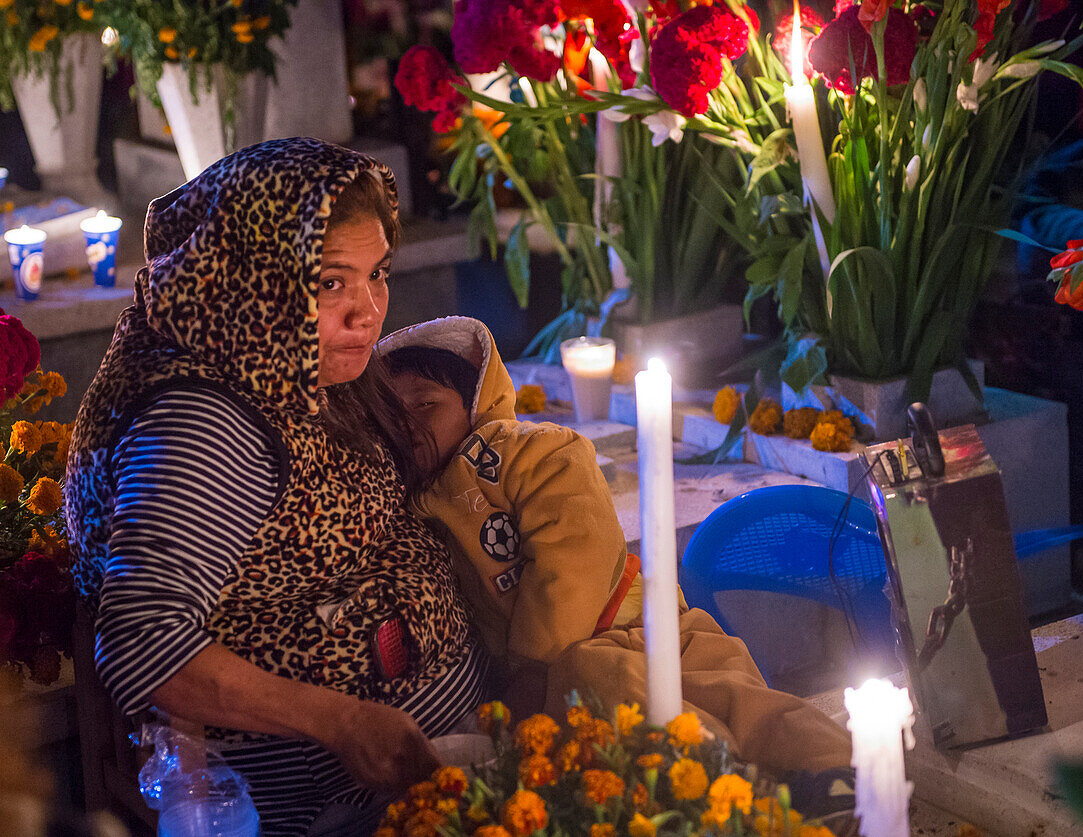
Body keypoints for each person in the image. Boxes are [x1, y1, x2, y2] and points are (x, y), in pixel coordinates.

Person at [64, 139, 488, 836]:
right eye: (329, 282)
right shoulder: (207, 422)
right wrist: (341, 720)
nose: (367, 310)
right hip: (320, 804)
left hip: (431, 753)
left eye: (377, 273)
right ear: (252, 278)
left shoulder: (280, 359)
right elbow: (141, 638)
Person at [375, 316, 854, 781]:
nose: (410, 427)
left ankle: (839, 773)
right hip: (560, 676)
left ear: (476, 400)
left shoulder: (529, 452)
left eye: (426, 405)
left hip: (636, 630)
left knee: (747, 711)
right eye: (394, 417)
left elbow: (574, 549)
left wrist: (533, 668)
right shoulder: (410, 504)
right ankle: (739, 793)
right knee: (633, 730)